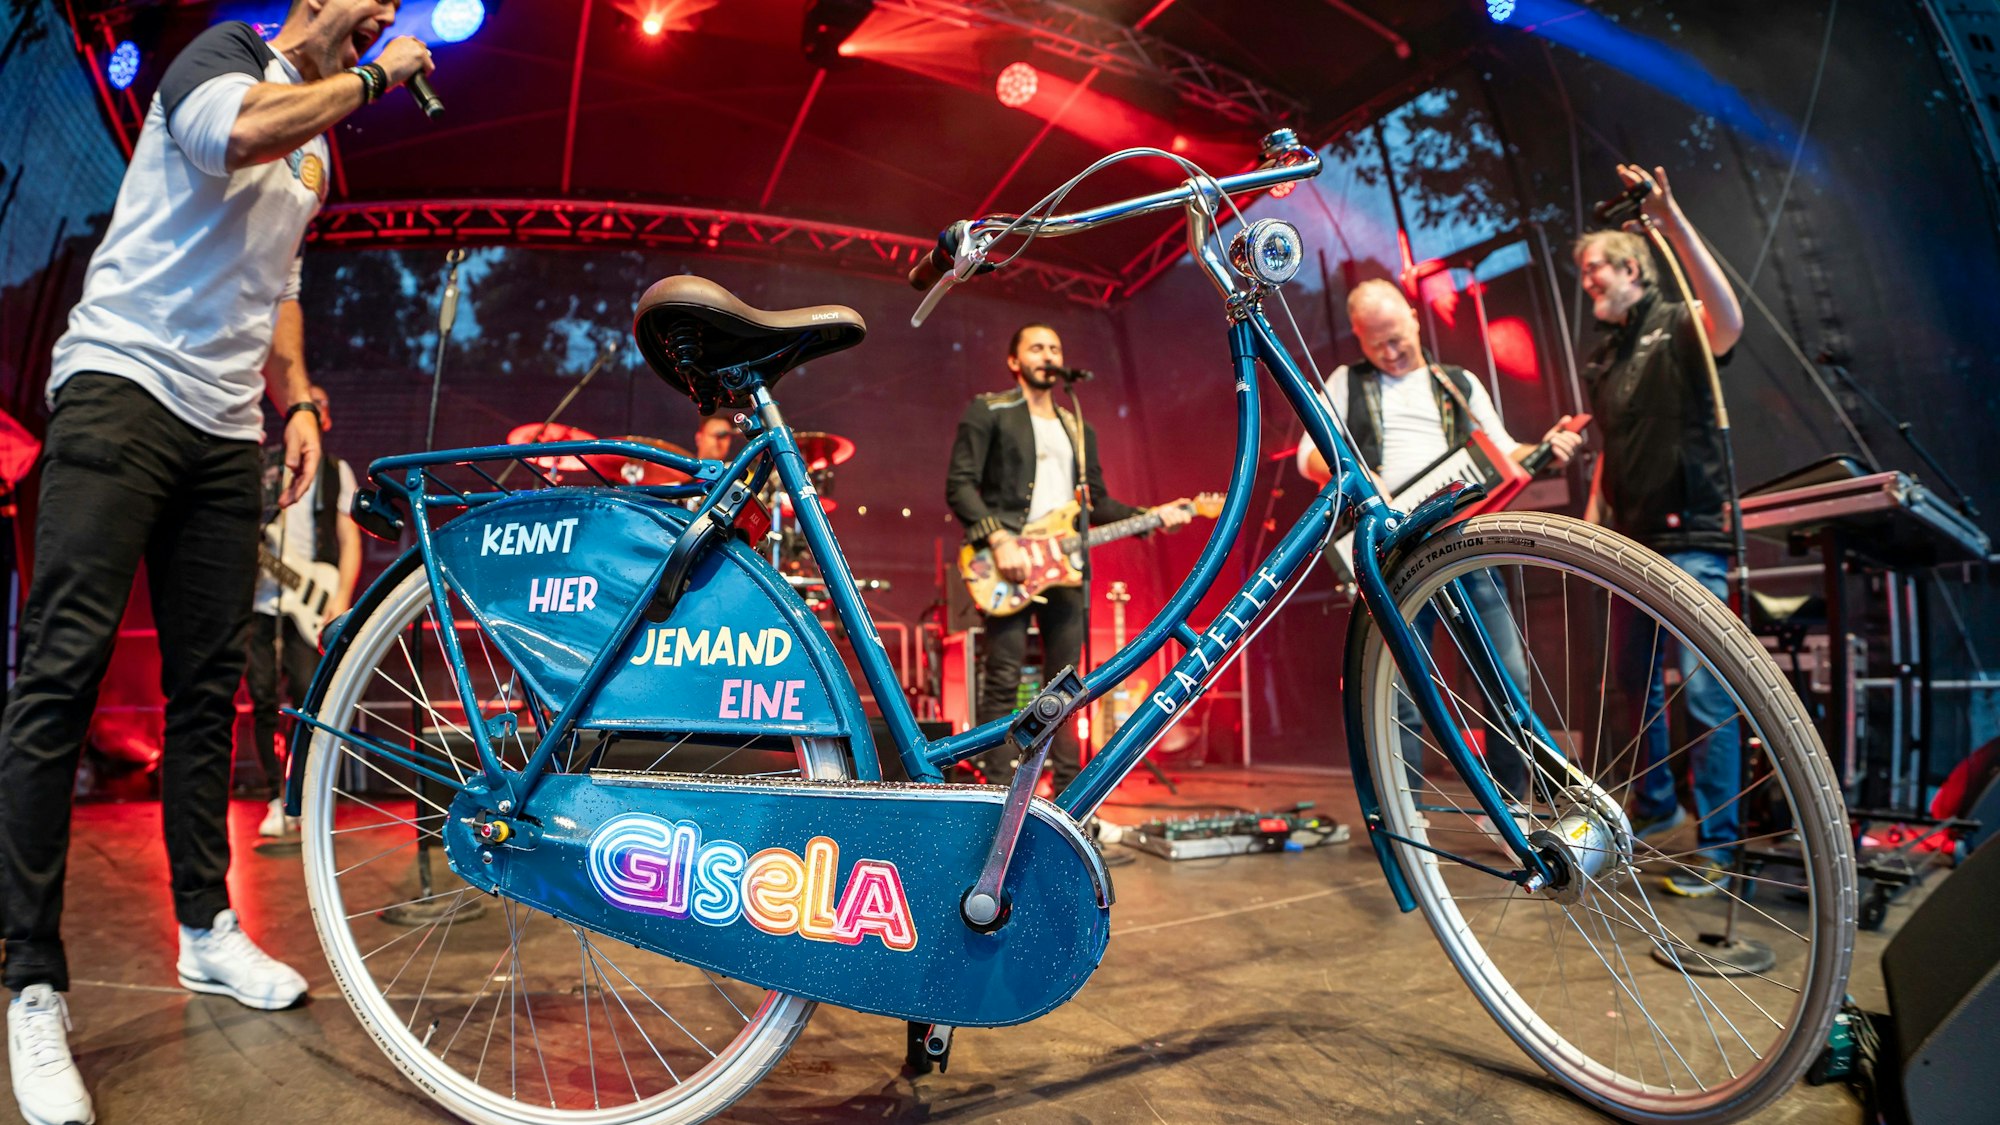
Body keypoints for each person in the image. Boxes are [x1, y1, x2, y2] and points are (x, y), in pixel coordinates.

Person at [0, 5, 432, 1122]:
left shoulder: (317, 147)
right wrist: (376, 79)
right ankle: (33, 982)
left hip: (225, 427)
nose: (389, 16)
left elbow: (278, 281)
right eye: (376, 1)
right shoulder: (227, 59)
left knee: (211, 689)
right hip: (120, 388)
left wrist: (299, 399)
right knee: (60, 677)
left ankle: (205, 928)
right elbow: (235, 135)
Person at [1297, 280, 1581, 831]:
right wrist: (1353, 474)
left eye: (1396, 337)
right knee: (1400, 689)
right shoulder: (1346, 382)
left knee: (1506, 678)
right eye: (1376, 343)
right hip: (1394, 554)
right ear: (1358, 338)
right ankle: (1409, 816)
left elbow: (1507, 450)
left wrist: (1548, 446)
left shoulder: (1458, 381)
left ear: (1413, 316)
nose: (1391, 352)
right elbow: (1309, 455)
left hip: (1463, 544)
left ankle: (1512, 811)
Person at [1576, 163, 1746, 898]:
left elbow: (1728, 322)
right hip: (1629, 545)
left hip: (1691, 539)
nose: (1588, 280)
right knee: (1633, 687)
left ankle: (1720, 845)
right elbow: (1612, 447)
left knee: (1706, 694)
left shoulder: (1677, 322)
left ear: (1632, 268)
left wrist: (1672, 223)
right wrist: (1592, 524)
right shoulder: (1605, 356)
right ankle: (1655, 806)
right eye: (1583, 272)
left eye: (1596, 268)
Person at [946, 324, 1192, 795]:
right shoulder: (989, 410)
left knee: (1066, 688)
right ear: (1015, 361)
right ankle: (995, 793)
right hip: (1007, 562)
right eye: (1037, 347)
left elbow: (1095, 502)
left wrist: (1151, 516)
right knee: (1003, 677)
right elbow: (959, 485)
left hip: (1064, 568)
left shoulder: (1077, 427)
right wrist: (1000, 539)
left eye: (1055, 348)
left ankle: (1067, 798)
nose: (1049, 355)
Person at [245, 383, 360, 839]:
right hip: (261, 602)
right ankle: (273, 799)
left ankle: (304, 796)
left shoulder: (335, 471)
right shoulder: (266, 466)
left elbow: (349, 538)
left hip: (313, 600)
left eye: (321, 402)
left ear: (324, 417)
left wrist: (341, 597)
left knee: (308, 700)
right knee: (261, 700)